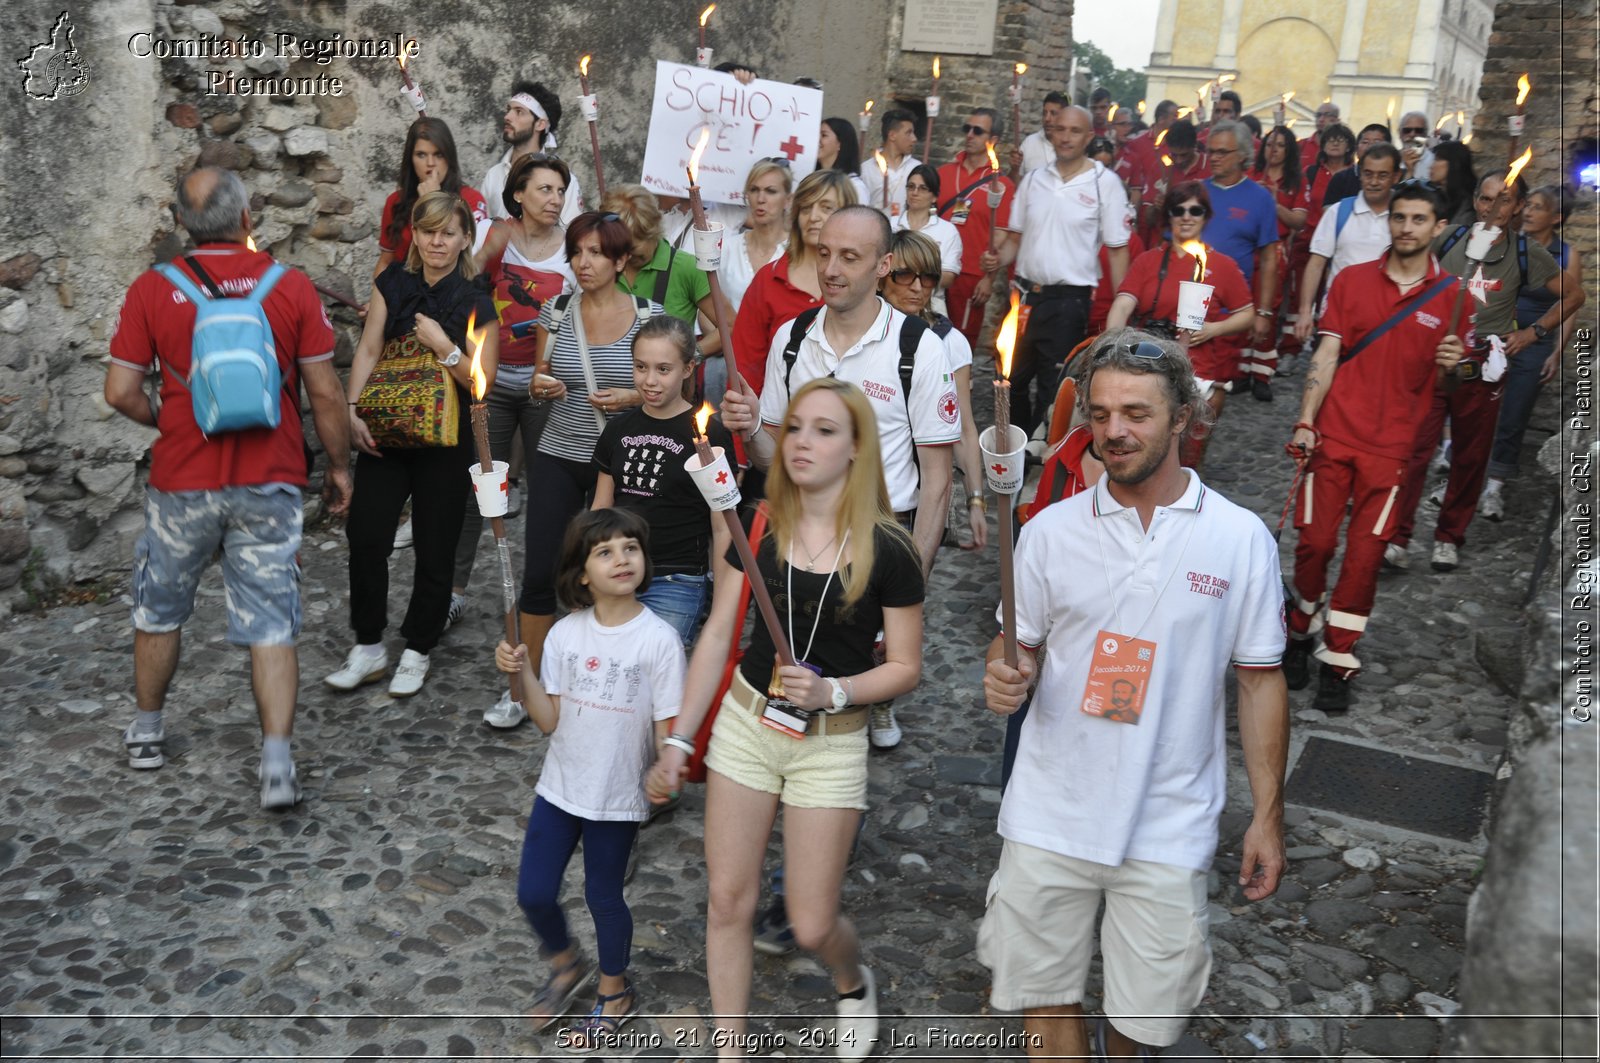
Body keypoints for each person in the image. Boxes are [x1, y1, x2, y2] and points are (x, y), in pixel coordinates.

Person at [978, 329, 1289, 1061]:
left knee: (1141, 1025)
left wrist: (1268, 817)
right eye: (1101, 411)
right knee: (1045, 1003)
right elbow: (1012, 641)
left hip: (1169, 822)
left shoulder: (1240, 539)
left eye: (1138, 413)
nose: (1114, 430)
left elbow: (1259, 678)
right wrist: (1003, 669)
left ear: (1184, 416)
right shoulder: (1048, 531)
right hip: (1049, 814)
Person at [647, 377, 929, 1062]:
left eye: (825, 430)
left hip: (829, 741)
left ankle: (849, 978)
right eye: (796, 427)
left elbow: (906, 667)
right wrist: (679, 736)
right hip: (747, 722)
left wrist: (833, 692)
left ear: (858, 448)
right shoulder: (758, 520)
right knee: (727, 900)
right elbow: (717, 632)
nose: (802, 442)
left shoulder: (889, 549)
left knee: (809, 920)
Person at [105, 167, 352, 810]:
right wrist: (339, 468)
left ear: (182, 227)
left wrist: (170, 417)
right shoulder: (290, 287)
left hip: (181, 481)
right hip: (269, 481)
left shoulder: (152, 290)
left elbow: (119, 392)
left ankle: (147, 731)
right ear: (248, 219)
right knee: (272, 622)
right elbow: (324, 392)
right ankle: (275, 764)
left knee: (159, 609)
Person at [723, 206, 958, 749]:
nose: (831, 268)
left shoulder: (918, 348)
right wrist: (754, 423)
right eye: (824, 253)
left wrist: (908, 589)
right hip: (802, 534)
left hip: (879, 536)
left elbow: (937, 482)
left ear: (883, 265)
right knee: (792, 663)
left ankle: (859, 730)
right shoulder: (792, 337)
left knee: (858, 684)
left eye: (850, 257)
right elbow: (774, 461)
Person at [494, 507, 684, 1046]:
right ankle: (565, 962)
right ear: (582, 573)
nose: (621, 559)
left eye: (630, 548)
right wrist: (522, 672)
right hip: (560, 788)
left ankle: (614, 989)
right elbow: (549, 720)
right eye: (605, 552)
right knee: (533, 892)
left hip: (617, 797)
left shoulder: (659, 641)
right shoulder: (563, 634)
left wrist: (665, 771)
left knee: (604, 898)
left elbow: (668, 728)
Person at [1283, 181, 1465, 711]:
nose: (1405, 228)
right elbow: (1327, 354)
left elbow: (1451, 388)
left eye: (1417, 220)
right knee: (1315, 544)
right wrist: (1305, 420)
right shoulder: (1353, 281)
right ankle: (1300, 631)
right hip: (1335, 437)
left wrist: (1455, 368)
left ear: (1437, 228)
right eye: (1399, 217)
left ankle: (1339, 661)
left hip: (1393, 452)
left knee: (1364, 560)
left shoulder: (1454, 299)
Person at [330, 192, 499, 700]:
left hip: (447, 441)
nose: (437, 242)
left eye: (448, 232)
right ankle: (367, 646)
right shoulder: (393, 284)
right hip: (387, 429)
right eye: (428, 232)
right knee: (367, 533)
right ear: (416, 236)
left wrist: (445, 348)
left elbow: (482, 382)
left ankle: (418, 647)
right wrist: (353, 408)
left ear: (466, 237)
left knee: (435, 541)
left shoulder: (476, 299)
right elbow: (369, 347)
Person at [1387, 171, 1584, 572]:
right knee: (1412, 451)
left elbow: (1574, 294)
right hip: (1432, 361)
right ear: (1476, 201)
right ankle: (1397, 536)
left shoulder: (1527, 252)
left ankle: (1448, 537)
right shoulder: (1451, 239)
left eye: (1505, 200)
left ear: (1517, 208)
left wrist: (1533, 333)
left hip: (1480, 368)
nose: (1493, 208)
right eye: (1486, 199)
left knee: (1470, 456)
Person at [513, 212, 663, 690]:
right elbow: (539, 377)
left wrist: (633, 397)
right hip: (558, 453)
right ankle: (524, 686)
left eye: (596, 252)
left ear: (620, 260)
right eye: (577, 251)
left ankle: (608, 679)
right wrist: (541, 386)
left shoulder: (648, 316)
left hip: (622, 465)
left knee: (617, 573)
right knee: (540, 570)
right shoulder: (555, 311)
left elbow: (676, 391)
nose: (583, 262)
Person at [450, 154, 577, 628]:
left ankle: (550, 593)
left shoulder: (572, 247)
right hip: (495, 383)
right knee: (477, 491)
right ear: (518, 194)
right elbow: (466, 283)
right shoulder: (500, 235)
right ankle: (454, 590)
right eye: (544, 189)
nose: (555, 199)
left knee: (551, 496)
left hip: (547, 388)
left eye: (560, 190)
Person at [982, 105, 1132, 442]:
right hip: (1023, 299)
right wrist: (996, 258)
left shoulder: (1104, 184)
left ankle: (1045, 454)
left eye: (1074, 131)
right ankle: (1017, 444)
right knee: (1009, 379)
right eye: (1059, 129)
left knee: (1055, 384)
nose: (1065, 137)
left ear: (1089, 136)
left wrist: (1125, 303)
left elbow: (1117, 249)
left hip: (1067, 301)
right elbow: (1014, 239)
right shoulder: (1034, 179)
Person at [592, 316, 735, 644]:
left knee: (650, 677)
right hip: (618, 572)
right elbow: (600, 508)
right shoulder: (617, 429)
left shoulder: (707, 433)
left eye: (663, 369)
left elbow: (722, 525)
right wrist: (586, 573)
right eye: (641, 367)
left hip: (677, 579)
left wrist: (725, 606)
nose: (650, 381)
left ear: (688, 368)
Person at [1105, 180, 1255, 466]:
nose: (1187, 217)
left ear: (1205, 216)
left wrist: (1215, 328)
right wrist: (1114, 343)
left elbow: (1247, 314)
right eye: (1179, 210)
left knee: (1183, 456)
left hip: (1197, 368)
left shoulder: (1222, 265)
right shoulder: (1148, 261)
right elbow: (1123, 304)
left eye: (1195, 210)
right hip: (1147, 361)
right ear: (1169, 216)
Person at [1481, 184, 1584, 519]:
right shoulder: (1508, 244)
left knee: (1515, 411)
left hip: (1535, 341)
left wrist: (1556, 352)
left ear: (1556, 217)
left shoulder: (1566, 256)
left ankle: (1495, 486)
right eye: (1528, 205)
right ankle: (1457, 467)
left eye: (1538, 207)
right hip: (1493, 335)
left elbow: (1567, 306)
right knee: (1477, 407)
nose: (1528, 212)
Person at [881, 229, 986, 551]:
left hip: (919, 495)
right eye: (904, 275)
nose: (916, 287)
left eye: (927, 278)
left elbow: (964, 427)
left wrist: (976, 500)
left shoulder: (948, 340)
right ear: (883, 274)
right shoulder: (860, 332)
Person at [730, 169, 857, 395]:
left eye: (826, 208)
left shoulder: (862, 281)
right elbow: (745, 368)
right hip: (776, 420)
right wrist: (748, 425)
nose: (813, 216)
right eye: (806, 208)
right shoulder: (769, 279)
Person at [1199, 120, 1280, 400]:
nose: (1215, 158)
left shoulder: (1260, 198)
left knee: (1216, 389)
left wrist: (1264, 312)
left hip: (1228, 312)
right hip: (1188, 303)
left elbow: (1270, 258)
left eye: (1223, 152)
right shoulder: (1195, 192)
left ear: (1243, 155)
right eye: (1211, 152)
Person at [1294, 144, 1402, 342]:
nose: (1374, 182)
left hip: (1386, 321)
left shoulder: (1404, 218)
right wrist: (1305, 312)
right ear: (1359, 174)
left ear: (1396, 177)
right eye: (1368, 174)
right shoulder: (1338, 212)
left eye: (1382, 175)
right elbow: (1316, 264)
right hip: (1337, 320)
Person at [935, 107, 1016, 347]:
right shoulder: (943, 173)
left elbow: (1000, 237)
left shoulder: (1001, 185)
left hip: (970, 275)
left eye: (978, 131)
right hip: (936, 268)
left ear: (993, 140)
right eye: (967, 129)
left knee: (959, 341)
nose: (969, 135)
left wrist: (988, 278)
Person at [375, 117, 489, 276]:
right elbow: (386, 261)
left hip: (450, 294)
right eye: (421, 155)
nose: (430, 163)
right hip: (402, 294)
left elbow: (470, 263)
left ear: (449, 158)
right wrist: (376, 298)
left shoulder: (471, 200)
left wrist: (432, 201)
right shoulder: (396, 201)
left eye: (439, 155)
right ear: (411, 159)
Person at [1244, 126, 1310, 390]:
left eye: (1281, 145)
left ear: (1289, 150)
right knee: (1243, 305)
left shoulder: (1296, 180)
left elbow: (1299, 220)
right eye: (1270, 144)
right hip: (1248, 248)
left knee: (1267, 307)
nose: (1274, 149)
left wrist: (1273, 202)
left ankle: (1262, 372)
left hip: (1276, 249)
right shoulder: (1252, 175)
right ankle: (1240, 369)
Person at [480, 81, 584, 227]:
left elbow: (572, 236)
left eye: (519, 112)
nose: (507, 117)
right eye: (508, 109)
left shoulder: (566, 182)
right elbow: (481, 231)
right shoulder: (493, 175)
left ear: (540, 124)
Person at [720, 160, 792, 315]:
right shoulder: (727, 249)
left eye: (771, 191)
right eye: (754, 190)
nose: (760, 199)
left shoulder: (798, 252)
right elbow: (708, 310)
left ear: (787, 200)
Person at [891, 164, 962, 316]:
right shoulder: (890, 223)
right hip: (891, 301)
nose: (915, 193)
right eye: (911, 187)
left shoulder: (947, 231)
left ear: (935, 196)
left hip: (931, 304)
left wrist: (910, 275)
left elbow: (949, 277)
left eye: (923, 188)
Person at [861, 108, 920, 218]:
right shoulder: (866, 169)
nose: (914, 138)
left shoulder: (917, 168)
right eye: (908, 133)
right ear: (892, 135)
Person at [1322, 124, 1392, 207]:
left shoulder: (1393, 177)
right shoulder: (1341, 178)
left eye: (1376, 142)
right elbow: (1329, 211)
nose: (1370, 146)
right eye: (1365, 142)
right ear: (1356, 147)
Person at [818, 116, 872, 205]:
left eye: (824, 135)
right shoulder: (813, 179)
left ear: (840, 143)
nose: (817, 140)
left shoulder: (855, 187)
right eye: (817, 135)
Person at [1015, 91, 1069, 176]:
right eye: (1044, 113)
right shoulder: (1030, 143)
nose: (1047, 119)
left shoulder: (1070, 147)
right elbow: (1016, 184)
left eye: (1053, 113)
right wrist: (1014, 169)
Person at [1428, 140, 1478, 227]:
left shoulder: (1470, 204)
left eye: (1437, 159)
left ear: (1454, 163)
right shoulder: (1435, 195)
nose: (1431, 166)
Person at [1299, 101, 1342, 170]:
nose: (1321, 119)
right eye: (1318, 115)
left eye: (1327, 115)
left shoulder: (1342, 148)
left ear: (1337, 120)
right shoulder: (1301, 145)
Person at [1398, 111, 1435, 179]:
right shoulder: (1391, 159)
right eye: (1407, 130)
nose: (1412, 134)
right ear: (1400, 134)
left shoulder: (1434, 162)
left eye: (1418, 131)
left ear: (1426, 134)